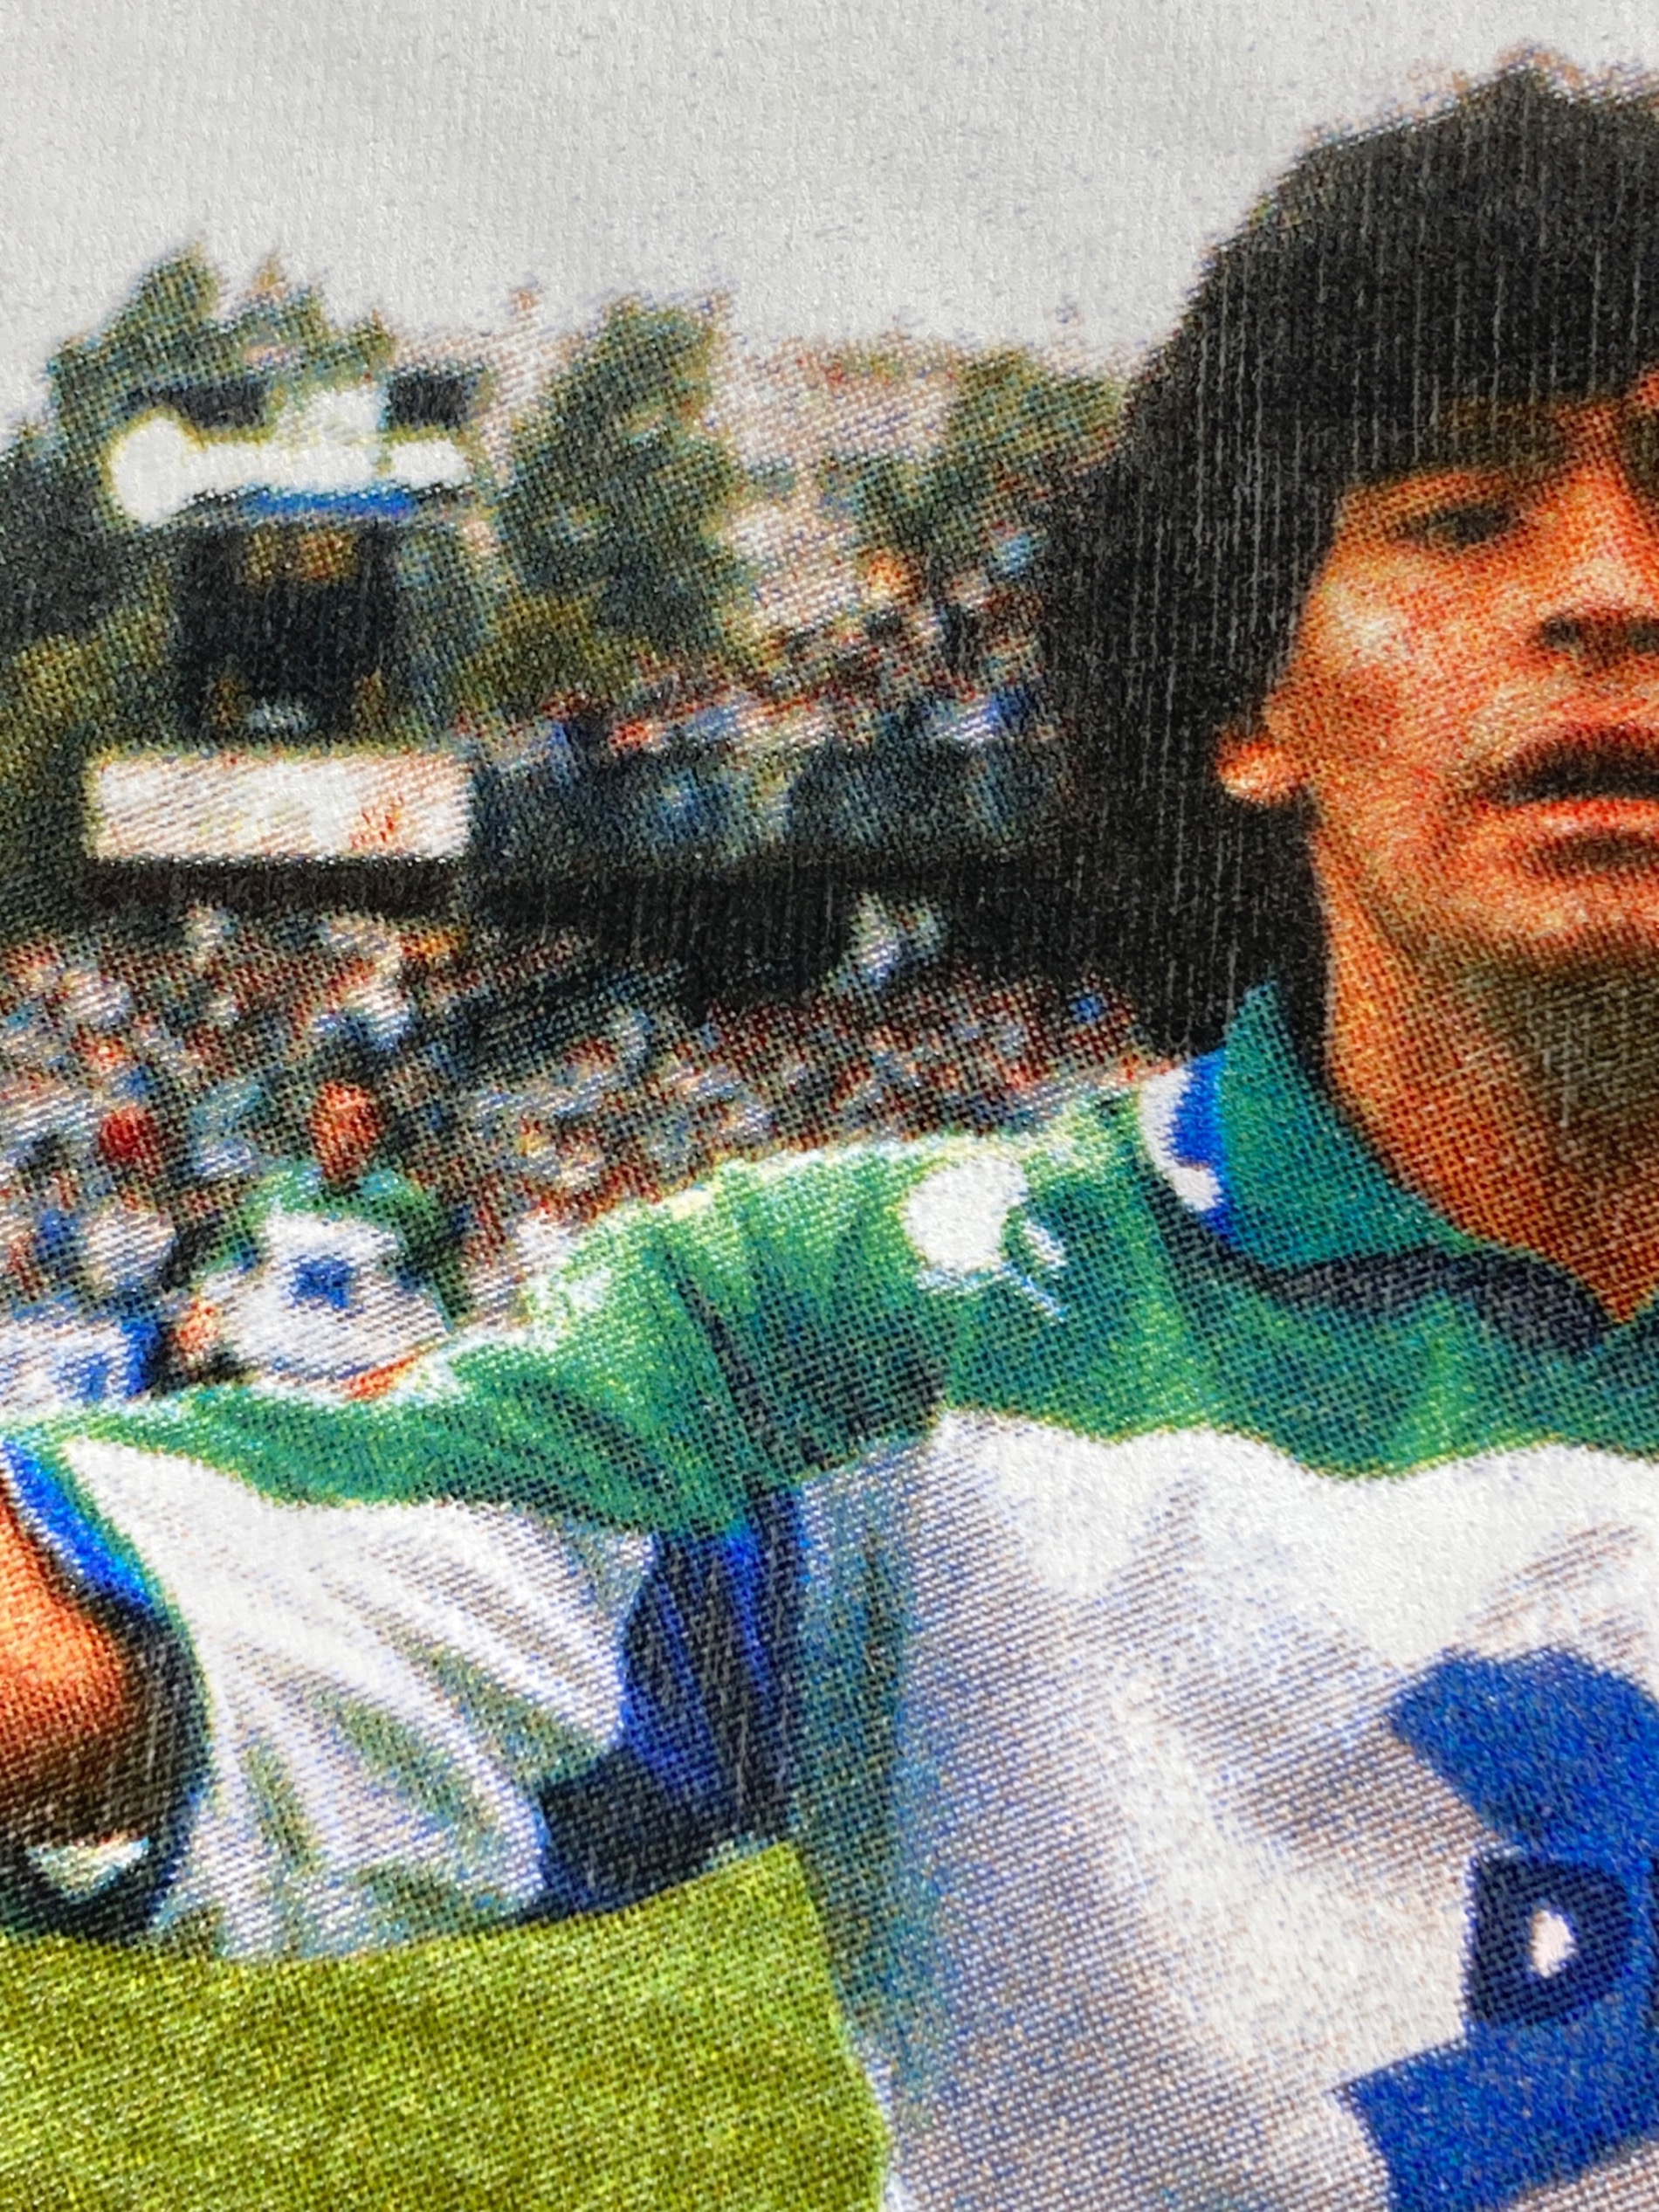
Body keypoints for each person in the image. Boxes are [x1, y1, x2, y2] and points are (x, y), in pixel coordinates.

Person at [3, 59, 1659, 2211]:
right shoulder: (879, 1327)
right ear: (1252, 700)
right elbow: (189, 1629)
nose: (1608, 588)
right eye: (1459, 513)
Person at [174, 1058, 466, 1386]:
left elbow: (445, 1299)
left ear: (374, 1132)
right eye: (335, 1122)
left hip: (359, 1377)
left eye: (358, 1124)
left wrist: (407, 1367)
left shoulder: (407, 1206)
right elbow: (231, 1261)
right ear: (317, 1126)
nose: (345, 1136)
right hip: (272, 1370)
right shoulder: (275, 1192)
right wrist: (204, 1310)